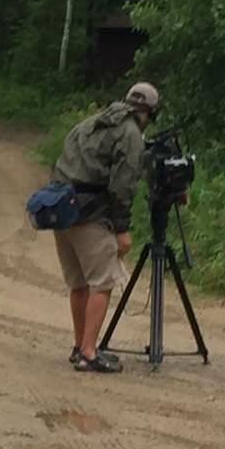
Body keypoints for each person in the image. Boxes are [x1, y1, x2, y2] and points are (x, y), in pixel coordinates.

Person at [49, 81, 159, 373]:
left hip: (61, 208)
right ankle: (88, 352)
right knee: (104, 282)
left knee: (79, 283)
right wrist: (122, 229)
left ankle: (79, 346)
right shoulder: (131, 132)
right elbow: (122, 186)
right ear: (149, 112)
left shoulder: (93, 122)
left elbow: (64, 159)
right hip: (90, 215)